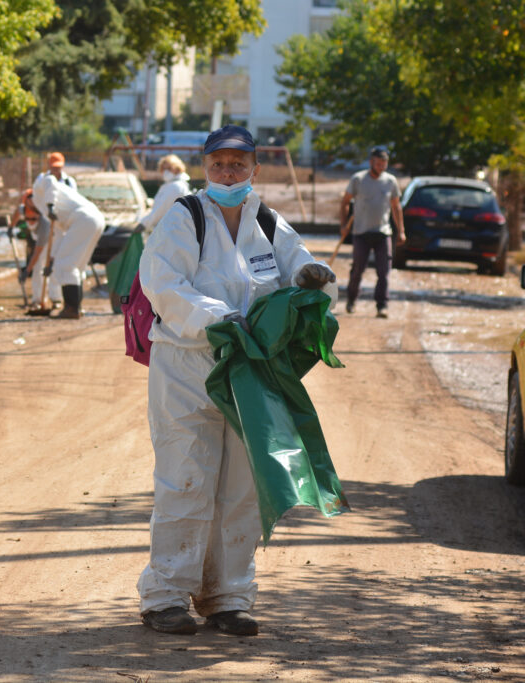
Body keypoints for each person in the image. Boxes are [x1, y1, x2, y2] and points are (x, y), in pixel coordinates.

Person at [137, 124, 338, 636]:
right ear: (206, 167)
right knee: (186, 478)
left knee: (242, 485)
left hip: (249, 370)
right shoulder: (185, 217)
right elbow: (162, 283)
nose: (229, 171)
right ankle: (165, 597)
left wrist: (311, 278)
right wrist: (219, 319)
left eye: (238, 163)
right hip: (188, 366)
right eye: (219, 163)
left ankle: (228, 597)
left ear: (254, 168)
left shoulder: (267, 221)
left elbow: (300, 267)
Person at [339, 146, 405, 318]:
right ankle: (352, 299)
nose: (382, 166)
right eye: (378, 162)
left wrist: (401, 231)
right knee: (358, 270)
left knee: (384, 272)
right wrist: (344, 224)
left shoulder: (390, 181)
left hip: (383, 233)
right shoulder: (358, 179)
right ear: (371, 162)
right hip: (361, 233)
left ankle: (382, 305)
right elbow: (345, 202)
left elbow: (396, 206)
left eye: (384, 162)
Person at [31, 172, 105, 319]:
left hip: (82, 219)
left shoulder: (39, 186)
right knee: (76, 266)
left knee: (66, 265)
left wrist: (51, 206)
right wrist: (50, 261)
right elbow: (58, 235)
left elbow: (50, 181)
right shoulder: (45, 205)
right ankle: (76, 307)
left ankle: (71, 308)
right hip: (93, 219)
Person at [9, 189, 60, 315]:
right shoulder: (23, 209)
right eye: (29, 218)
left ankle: (55, 298)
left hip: (51, 239)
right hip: (37, 238)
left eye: (34, 218)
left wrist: (27, 270)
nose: (31, 220)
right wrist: (11, 227)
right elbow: (17, 212)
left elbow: (37, 253)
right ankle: (37, 300)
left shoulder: (44, 223)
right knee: (37, 268)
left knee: (49, 268)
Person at [136, 154, 191, 232]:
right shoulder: (174, 185)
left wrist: (143, 224)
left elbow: (160, 211)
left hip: (171, 232)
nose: (166, 171)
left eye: (169, 168)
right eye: (163, 169)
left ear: (177, 168)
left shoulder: (175, 187)